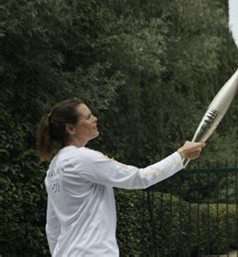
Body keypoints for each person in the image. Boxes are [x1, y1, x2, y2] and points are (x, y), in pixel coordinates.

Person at [37, 98, 205, 256]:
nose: (95, 119)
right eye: (88, 117)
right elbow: (140, 178)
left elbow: (52, 226)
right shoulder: (82, 158)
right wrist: (181, 155)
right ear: (71, 128)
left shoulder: (53, 168)